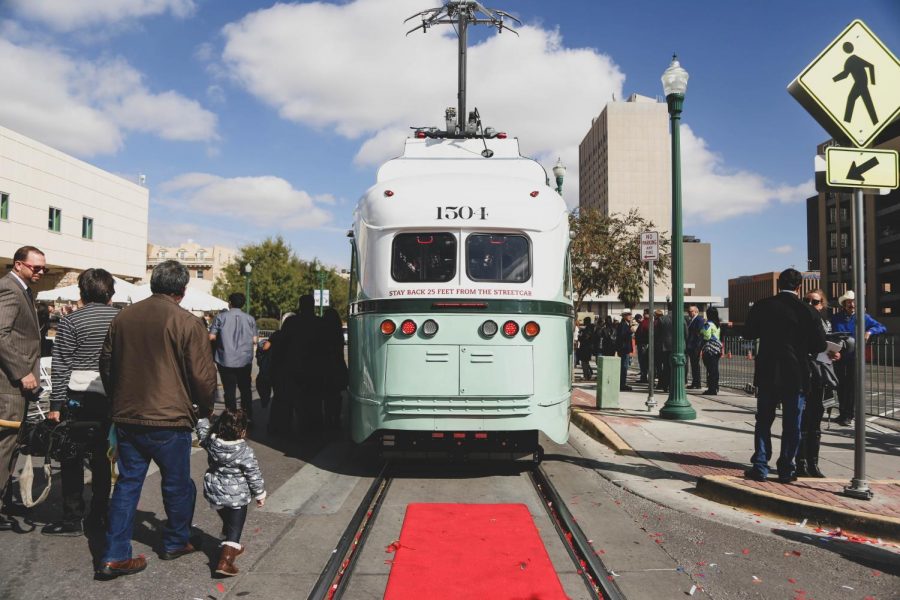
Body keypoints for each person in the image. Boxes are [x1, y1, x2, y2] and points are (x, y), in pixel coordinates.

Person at [96, 260, 217, 580]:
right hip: (169, 418)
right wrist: (205, 410)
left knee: (127, 484)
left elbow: (106, 363)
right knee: (178, 484)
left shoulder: (123, 317)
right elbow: (203, 378)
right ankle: (175, 541)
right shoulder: (188, 322)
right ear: (182, 290)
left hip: (128, 415)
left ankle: (114, 554)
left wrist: (118, 399)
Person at [43, 269, 119, 536]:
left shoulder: (71, 321)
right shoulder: (121, 319)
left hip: (77, 397)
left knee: (71, 455)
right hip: (111, 397)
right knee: (103, 457)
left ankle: (72, 517)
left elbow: (61, 365)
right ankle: (100, 513)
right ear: (110, 292)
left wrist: (55, 405)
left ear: (82, 292)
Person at [743, 268, 826, 483]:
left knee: (763, 420)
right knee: (792, 423)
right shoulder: (807, 311)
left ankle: (760, 465)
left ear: (779, 284)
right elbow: (819, 344)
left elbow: (749, 333)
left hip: (768, 370)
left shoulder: (763, 306)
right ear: (799, 287)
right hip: (796, 372)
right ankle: (786, 468)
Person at [0, 246, 46, 531]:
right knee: (4, 447)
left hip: (18, 386)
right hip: (9, 385)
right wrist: (22, 372)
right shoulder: (9, 288)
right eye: (36, 268)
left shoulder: (23, 289)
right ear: (19, 265)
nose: (40, 272)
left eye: (43, 268)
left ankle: (4, 498)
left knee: (12, 445)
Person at [196, 409, 266, 577]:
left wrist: (201, 417)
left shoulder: (210, 443)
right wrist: (260, 494)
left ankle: (231, 545)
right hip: (237, 497)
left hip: (214, 492)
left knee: (228, 522)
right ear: (242, 431)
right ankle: (225, 561)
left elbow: (202, 431)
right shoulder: (245, 452)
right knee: (235, 528)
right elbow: (253, 474)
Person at [798, 289, 841, 478]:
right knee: (801, 422)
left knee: (815, 422)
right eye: (807, 301)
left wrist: (836, 353)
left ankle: (813, 463)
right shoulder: (797, 322)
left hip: (820, 376)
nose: (811, 304)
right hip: (803, 374)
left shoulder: (826, 323)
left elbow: (832, 344)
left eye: (815, 302)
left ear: (822, 304)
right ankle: (800, 462)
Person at [830, 290, 886, 427]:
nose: (852, 304)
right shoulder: (836, 317)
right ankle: (843, 413)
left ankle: (849, 415)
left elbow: (881, 327)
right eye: (849, 302)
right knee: (840, 386)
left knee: (851, 387)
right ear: (844, 304)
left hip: (855, 357)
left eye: (854, 301)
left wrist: (869, 331)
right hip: (839, 356)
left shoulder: (863, 317)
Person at [209, 293, 258, 425]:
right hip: (244, 360)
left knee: (229, 390)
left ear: (229, 302)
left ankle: (231, 418)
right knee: (245, 389)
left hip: (225, 359)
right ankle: (247, 417)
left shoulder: (220, 317)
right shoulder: (250, 319)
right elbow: (254, 340)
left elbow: (211, 337)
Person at [279, 296, 325, 431]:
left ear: (300, 305)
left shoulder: (291, 322)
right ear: (313, 306)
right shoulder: (320, 323)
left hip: (294, 366)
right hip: (315, 367)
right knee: (314, 400)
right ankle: (313, 427)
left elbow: (283, 343)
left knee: (296, 399)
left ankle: (298, 426)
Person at [321, 308, 348, 428]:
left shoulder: (322, 332)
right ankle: (336, 418)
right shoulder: (338, 332)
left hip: (325, 366)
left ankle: (327, 418)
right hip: (337, 365)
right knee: (336, 394)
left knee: (327, 395)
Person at [700, 307, 722, 395]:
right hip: (717, 348)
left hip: (709, 348)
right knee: (715, 369)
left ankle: (711, 389)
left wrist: (701, 332)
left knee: (710, 369)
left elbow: (707, 336)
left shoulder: (708, 324)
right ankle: (715, 386)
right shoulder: (717, 324)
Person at [653, 309, 672, 392]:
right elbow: (686, 333)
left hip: (661, 347)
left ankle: (663, 383)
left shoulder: (660, 320)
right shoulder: (679, 318)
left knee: (662, 367)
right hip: (673, 346)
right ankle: (668, 384)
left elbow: (656, 334)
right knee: (670, 366)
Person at [616, 310, 635, 391]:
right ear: (623, 316)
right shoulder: (623, 325)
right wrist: (630, 331)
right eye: (627, 315)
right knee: (624, 367)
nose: (630, 316)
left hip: (624, 348)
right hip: (624, 349)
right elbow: (622, 336)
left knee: (624, 367)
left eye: (630, 314)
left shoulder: (625, 324)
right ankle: (622, 384)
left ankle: (622, 383)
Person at [686, 305, 704, 389]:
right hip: (691, 346)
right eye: (689, 311)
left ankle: (697, 383)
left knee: (695, 365)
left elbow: (699, 334)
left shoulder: (699, 320)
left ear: (696, 311)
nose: (689, 313)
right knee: (693, 365)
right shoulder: (691, 320)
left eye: (691, 311)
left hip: (695, 346)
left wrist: (698, 347)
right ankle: (695, 382)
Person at [576, 316, 595, 381]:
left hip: (586, 348)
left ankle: (586, 376)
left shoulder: (588, 329)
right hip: (588, 347)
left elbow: (586, 338)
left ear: (587, 321)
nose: (583, 322)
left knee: (584, 362)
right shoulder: (590, 328)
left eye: (584, 321)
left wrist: (580, 337)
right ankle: (589, 374)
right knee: (585, 362)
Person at [635, 310, 651, 383]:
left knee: (643, 361)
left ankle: (644, 377)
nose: (643, 315)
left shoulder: (646, 323)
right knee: (643, 361)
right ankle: (644, 376)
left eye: (644, 313)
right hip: (643, 344)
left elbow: (643, 333)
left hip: (643, 344)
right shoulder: (645, 322)